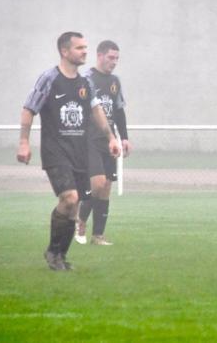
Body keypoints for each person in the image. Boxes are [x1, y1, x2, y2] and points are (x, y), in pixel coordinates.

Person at [17, 31, 120, 271]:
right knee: (69, 198)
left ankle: (60, 256)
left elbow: (96, 111)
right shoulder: (49, 78)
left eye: (86, 47)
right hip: (56, 151)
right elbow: (28, 109)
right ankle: (53, 252)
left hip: (79, 152)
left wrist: (111, 138)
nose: (85, 51)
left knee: (74, 205)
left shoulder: (86, 83)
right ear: (65, 51)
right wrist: (24, 142)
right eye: (79, 48)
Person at [75, 40, 132, 245]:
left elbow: (118, 111)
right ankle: (80, 220)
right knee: (97, 184)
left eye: (117, 58)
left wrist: (123, 137)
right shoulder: (87, 79)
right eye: (111, 57)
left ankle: (98, 236)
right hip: (89, 140)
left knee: (106, 186)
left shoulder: (115, 81)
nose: (114, 62)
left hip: (109, 142)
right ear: (99, 56)